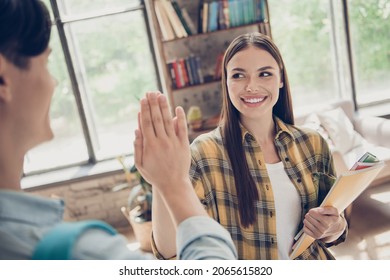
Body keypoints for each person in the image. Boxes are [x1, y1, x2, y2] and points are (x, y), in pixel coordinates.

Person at [0, 0, 237, 260]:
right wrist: (173, 182)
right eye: (45, 64)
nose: (53, 82)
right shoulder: (79, 254)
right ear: (3, 78)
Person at [151, 32, 348, 260]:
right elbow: (168, 251)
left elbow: (336, 227)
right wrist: (161, 179)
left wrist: (335, 227)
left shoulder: (312, 143)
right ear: (226, 82)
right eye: (238, 75)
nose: (251, 86)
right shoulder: (203, 155)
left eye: (264, 74)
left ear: (281, 79)